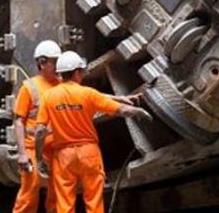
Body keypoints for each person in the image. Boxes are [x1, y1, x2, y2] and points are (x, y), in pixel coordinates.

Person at [34, 51, 152, 213]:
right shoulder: (88, 93)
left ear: (61, 73)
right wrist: (138, 111)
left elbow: (40, 130)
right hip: (89, 153)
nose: (82, 74)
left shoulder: (48, 96)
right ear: (76, 72)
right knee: (94, 200)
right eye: (81, 71)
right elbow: (122, 110)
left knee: (65, 202)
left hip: (63, 155)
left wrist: (39, 157)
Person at [12, 40, 62, 213]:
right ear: (42, 63)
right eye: (54, 62)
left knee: (57, 193)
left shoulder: (62, 85)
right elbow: (19, 121)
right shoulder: (29, 87)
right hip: (32, 149)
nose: (58, 66)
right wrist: (22, 154)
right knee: (29, 192)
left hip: (55, 149)